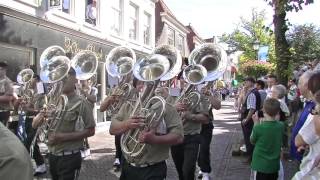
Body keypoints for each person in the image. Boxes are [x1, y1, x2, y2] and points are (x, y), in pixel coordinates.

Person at [109, 85, 183, 180]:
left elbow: (179, 137)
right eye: (141, 82)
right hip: (128, 167)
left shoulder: (167, 108)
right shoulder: (128, 105)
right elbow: (112, 129)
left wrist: (155, 139)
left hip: (153, 170)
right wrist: (127, 124)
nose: (146, 85)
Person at [32, 68, 96, 180]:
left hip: (69, 157)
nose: (60, 82)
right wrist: (40, 117)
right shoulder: (53, 101)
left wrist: (63, 137)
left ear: (74, 79)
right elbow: (34, 125)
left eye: (64, 78)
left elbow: (91, 130)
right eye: (58, 79)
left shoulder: (81, 103)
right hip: (52, 155)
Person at [171, 84, 211, 180]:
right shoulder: (171, 93)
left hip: (192, 137)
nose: (185, 80)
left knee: (188, 170)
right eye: (182, 78)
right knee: (180, 171)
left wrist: (190, 116)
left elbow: (205, 119)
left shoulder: (198, 96)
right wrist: (173, 107)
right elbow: (163, 113)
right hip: (175, 137)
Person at [19, 75, 47, 176]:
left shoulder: (42, 94)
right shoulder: (30, 92)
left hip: (36, 120)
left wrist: (29, 109)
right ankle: (41, 164)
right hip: (28, 119)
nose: (30, 81)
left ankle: (22, 166)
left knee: (27, 143)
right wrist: (23, 104)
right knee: (33, 144)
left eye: (32, 79)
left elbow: (43, 110)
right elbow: (28, 106)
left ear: (37, 80)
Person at [250, 98, 284, 180]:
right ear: (277, 112)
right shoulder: (281, 126)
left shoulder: (259, 127)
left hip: (260, 165)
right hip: (274, 165)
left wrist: (255, 123)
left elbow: (252, 140)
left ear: (264, 110)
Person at [290, 71, 316, 162]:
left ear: (307, 85)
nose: (298, 86)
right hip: (301, 154)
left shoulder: (316, 108)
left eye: (300, 83)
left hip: (307, 157)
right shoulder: (309, 103)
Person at [197, 84, 221, 180]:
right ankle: (201, 167)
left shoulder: (210, 91)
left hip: (206, 125)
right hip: (192, 125)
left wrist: (209, 95)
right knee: (195, 150)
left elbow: (218, 106)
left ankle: (205, 172)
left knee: (204, 148)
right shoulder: (189, 91)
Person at [237, 77, 261, 162]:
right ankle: (251, 156)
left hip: (249, 119)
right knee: (248, 137)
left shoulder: (252, 93)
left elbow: (251, 108)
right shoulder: (252, 92)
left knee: (249, 138)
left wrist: (246, 119)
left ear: (251, 83)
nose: (245, 83)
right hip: (250, 118)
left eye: (246, 82)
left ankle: (251, 157)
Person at [78, 78, 98, 158]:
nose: (82, 81)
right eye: (82, 80)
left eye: (84, 80)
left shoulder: (93, 89)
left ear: (89, 81)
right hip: (80, 112)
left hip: (88, 112)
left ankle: (86, 148)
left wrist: (85, 93)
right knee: (81, 131)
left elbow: (93, 99)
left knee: (86, 132)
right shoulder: (79, 89)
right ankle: (83, 148)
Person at [0, 62, 14, 126]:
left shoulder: (8, 81)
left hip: (3, 112)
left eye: (1, 69)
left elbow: (9, 98)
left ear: (4, 70)